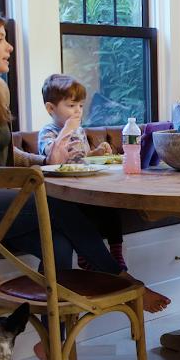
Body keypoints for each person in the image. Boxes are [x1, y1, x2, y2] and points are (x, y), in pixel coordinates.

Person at [0, 8, 169, 360]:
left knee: (59, 239)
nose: (9, 46)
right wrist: (32, 182)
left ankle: (51, 346)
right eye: (0, 39)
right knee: (52, 202)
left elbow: (1, 154)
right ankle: (118, 276)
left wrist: (45, 161)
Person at [37, 74, 131, 272]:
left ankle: (116, 251)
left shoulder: (80, 131)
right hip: (65, 192)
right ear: (51, 109)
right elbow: (52, 157)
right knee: (83, 213)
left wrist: (95, 153)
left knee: (110, 204)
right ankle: (84, 254)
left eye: (80, 105)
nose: (78, 111)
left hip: (85, 183)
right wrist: (66, 131)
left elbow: (83, 157)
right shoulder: (49, 132)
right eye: (71, 106)